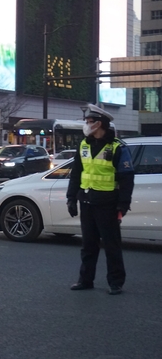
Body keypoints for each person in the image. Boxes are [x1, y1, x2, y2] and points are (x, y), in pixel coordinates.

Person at [66, 104, 134, 295]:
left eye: (90, 122)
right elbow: (76, 174)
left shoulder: (117, 147)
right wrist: (71, 198)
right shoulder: (84, 145)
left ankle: (116, 282)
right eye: (86, 121)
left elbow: (127, 178)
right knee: (88, 245)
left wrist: (123, 204)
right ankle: (85, 280)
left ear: (100, 124)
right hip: (86, 201)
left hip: (108, 204)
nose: (86, 125)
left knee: (111, 245)